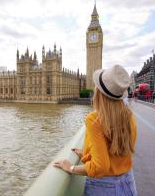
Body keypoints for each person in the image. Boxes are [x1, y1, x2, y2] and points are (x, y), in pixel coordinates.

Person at [54, 64, 137, 196]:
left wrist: (70, 167)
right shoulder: (128, 115)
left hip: (103, 188)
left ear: (98, 92)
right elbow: (117, 151)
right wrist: (87, 155)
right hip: (128, 183)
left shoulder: (94, 119)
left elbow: (101, 167)